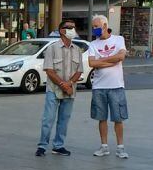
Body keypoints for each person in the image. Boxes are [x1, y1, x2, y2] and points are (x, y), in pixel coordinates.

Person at [36, 18, 82, 156]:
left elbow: (79, 71)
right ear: (62, 31)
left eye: (74, 27)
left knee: (64, 119)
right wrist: (63, 84)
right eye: (69, 27)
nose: (72, 29)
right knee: (48, 119)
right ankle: (42, 146)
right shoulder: (52, 48)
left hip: (70, 90)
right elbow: (49, 70)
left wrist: (69, 84)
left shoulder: (77, 50)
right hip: (54, 89)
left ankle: (58, 145)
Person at [88, 14, 129, 159]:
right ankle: (104, 146)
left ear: (104, 26)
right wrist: (111, 61)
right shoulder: (93, 44)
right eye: (93, 27)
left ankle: (120, 147)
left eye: (96, 27)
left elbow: (121, 57)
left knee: (118, 118)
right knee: (101, 118)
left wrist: (101, 61)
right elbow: (92, 64)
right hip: (99, 87)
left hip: (116, 85)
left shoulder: (119, 40)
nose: (94, 30)